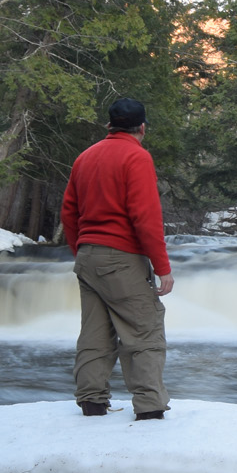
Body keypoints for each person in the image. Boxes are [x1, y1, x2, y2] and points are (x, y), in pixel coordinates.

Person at [60, 97, 174, 420]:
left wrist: (83, 250)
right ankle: (150, 408)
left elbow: (68, 213)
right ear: (142, 128)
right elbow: (145, 217)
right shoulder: (137, 157)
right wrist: (162, 268)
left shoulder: (84, 158)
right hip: (122, 257)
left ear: (109, 125)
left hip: (87, 256)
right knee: (144, 329)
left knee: (94, 332)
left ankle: (91, 401)